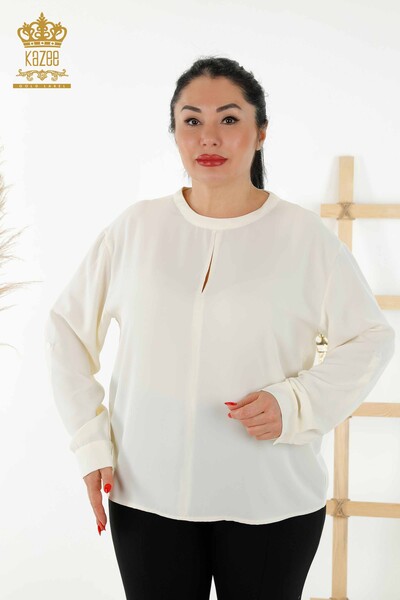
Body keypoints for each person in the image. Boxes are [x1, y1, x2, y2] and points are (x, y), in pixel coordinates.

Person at [44, 56, 395, 600]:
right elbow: (66, 329)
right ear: (175, 132)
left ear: (261, 132)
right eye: (192, 120)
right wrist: (92, 445)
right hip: (147, 496)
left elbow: (371, 338)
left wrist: (296, 402)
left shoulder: (305, 238)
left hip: (272, 502)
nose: (209, 136)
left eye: (229, 119)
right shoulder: (136, 229)